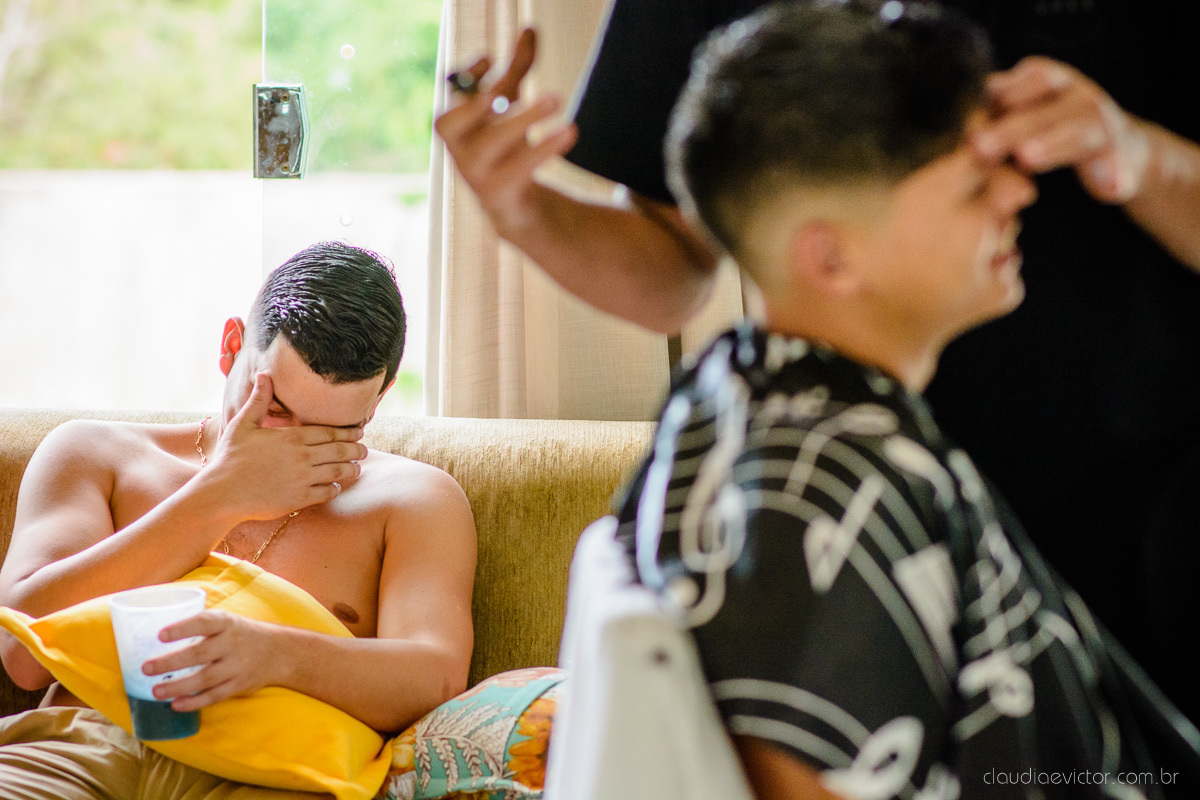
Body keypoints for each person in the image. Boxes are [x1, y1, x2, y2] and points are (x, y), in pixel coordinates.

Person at [435, 0, 1200, 722]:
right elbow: (671, 264)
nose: (1020, 192)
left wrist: (1144, 158)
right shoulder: (802, 504)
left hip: (1156, 519)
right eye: (976, 178)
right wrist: (523, 208)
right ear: (826, 255)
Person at [0, 241, 476, 796]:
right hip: (79, 746)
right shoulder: (95, 454)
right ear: (231, 348)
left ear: (378, 400)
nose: (290, 444)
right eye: (273, 408)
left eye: (334, 431)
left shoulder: (414, 501)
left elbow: (435, 678)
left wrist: (273, 655)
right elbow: (21, 655)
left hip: (277, 776)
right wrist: (220, 495)